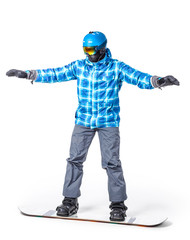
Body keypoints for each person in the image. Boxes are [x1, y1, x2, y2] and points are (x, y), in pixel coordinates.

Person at [6, 31, 179, 222]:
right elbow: (56, 73)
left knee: (112, 163)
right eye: (85, 49)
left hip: (108, 122)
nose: (88, 54)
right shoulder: (79, 66)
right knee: (74, 160)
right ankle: (70, 201)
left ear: (102, 49)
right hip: (84, 121)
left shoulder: (115, 67)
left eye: (91, 49)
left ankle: (118, 205)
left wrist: (158, 81)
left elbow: (137, 77)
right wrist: (28, 74)